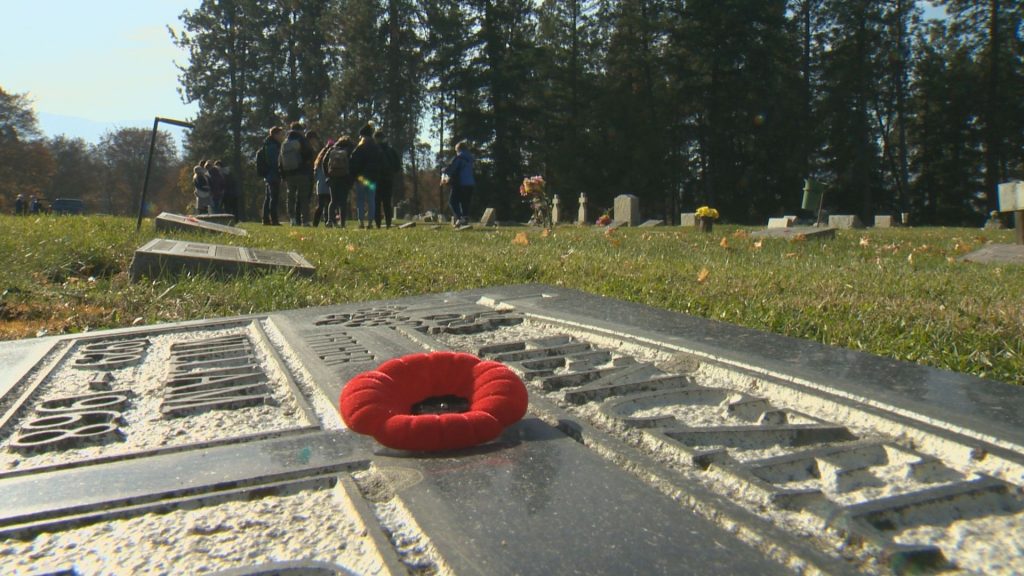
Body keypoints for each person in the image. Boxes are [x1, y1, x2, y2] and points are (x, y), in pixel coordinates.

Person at [279, 121, 316, 226]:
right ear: (300, 130)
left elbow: (280, 161)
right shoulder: (302, 140)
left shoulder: (285, 143)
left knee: (290, 197)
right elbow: (309, 155)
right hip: (302, 172)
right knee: (303, 198)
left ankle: (292, 219)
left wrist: (283, 175)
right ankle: (305, 220)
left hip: (289, 174)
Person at [348, 123, 384, 229]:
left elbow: (353, 162)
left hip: (361, 178)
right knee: (371, 199)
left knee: (360, 199)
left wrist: (354, 175)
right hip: (372, 178)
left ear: (363, 136)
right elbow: (381, 162)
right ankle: (370, 222)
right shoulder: (376, 148)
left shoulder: (360, 148)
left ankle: (361, 221)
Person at [443, 140, 475, 226]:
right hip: (470, 184)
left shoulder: (459, 158)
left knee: (452, 201)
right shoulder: (470, 159)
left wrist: (444, 173)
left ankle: (460, 218)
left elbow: (451, 169)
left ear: (459, 150)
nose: (456, 153)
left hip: (460, 184)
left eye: (456, 151)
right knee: (465, 203)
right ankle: (465, 219)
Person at [257, 126, 284, 225]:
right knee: (273, 198)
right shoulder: (273, 146)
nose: (282, 137)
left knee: (268, 198)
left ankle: (266, 219)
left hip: (268, 175)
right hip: (273, 175)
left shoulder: (268, 145)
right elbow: (274, 162)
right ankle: (274, 220)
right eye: (280, 134)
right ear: (275, 135)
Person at [375, 130, 401, 229]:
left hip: (377, 180)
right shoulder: (391, 150)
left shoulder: (375, 150)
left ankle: (377, 224)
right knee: (387, 203)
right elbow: (397, 166)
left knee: (377, 203)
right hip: (388, 179)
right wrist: (391, 173)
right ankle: (388, 223)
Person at [327, 137, 354, 228]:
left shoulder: (332, 150)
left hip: (333, 177)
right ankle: (342, 223)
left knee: (333, 201)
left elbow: (324, 162)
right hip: (344, 178)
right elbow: (351, 164)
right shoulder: (349, 151)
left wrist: (328, 175)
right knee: (343, 202)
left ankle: (330, 220)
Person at [312, 139, 335, 227]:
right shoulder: (331, 157)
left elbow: (316, 173)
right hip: (329, 184)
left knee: (320, 205)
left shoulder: (319, 159)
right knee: (329, 205)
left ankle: (315, 223)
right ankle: (328, 222)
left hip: (320, 185)